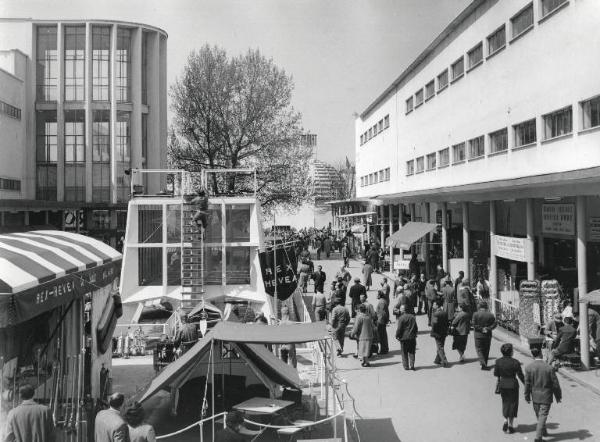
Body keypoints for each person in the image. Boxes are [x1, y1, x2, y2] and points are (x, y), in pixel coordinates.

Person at [524, 347, 562, 442]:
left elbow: (527, 384)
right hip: (546, 396)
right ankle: (538, 438)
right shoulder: (549, 368)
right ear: (541, 354)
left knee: (539, 416)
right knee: (542, 416)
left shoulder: (529, 367)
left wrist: (527, 396)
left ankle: (543, 432)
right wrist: (558, 396)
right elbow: (555, 384)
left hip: (535, 396)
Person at [494, 343, 525, 434]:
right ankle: (511, 425)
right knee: (513, 404)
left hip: (503, 384)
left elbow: (496, 374)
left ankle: (505, 420)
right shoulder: (515, 362)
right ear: (511, 352)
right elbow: (521, 376)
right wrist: (527, 385)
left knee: (505, 402)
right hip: (513, 385)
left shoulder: (498, 361)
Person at [472, 301, 497, 370]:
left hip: (478, 335)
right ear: (486, 306)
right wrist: (488, 328)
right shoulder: (490, 315)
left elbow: (474, 324)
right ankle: (484, 363)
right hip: (487, 335)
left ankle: (482, 362)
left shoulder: (475, 314)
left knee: (479, 349)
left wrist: (481, 329)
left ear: (479, 306)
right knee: (486, 349)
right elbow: (495, 324)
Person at [396, 305, 418, 370]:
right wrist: (415, 334)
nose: (400, 310)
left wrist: (397, 335)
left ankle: (406, 366)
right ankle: (412, 365)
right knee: (412, 352)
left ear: (403, 310)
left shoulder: (401, 318)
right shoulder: (412, 317)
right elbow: (416, 327)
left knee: (404, 352)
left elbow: (399, 329)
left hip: (404, 338)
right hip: (412, 337)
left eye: (400, 309)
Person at [430, 300, 449, 367]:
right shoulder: (444, 313)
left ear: (437, 305)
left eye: (434, 304)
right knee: (441, 346)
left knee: (440, 347)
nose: (433, 306)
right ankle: (437, 360)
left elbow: (434, 324)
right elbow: (447, 323)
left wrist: (433, 332)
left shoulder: (435, 314)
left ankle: (444, 361)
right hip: (444, 332)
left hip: (437, 333)